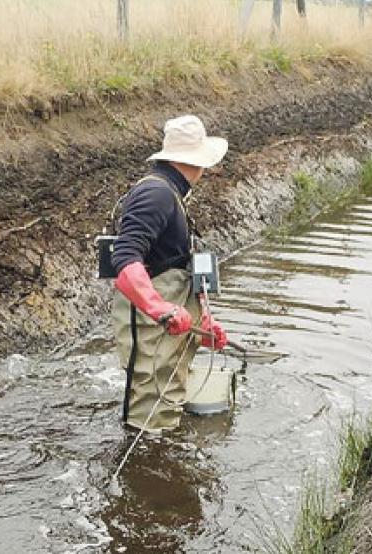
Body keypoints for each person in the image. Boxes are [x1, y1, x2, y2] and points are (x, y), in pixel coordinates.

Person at [111, 115, 229, 432]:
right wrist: (158, 307)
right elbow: (124, 257)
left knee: (166, 394)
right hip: (152, 320)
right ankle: (142, 465)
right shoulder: (157, 195)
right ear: (199, 162)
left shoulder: (171, 193)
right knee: (148, 407)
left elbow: (175, 261)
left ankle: (160, 454)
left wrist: (205, 322)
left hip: (169, 320)